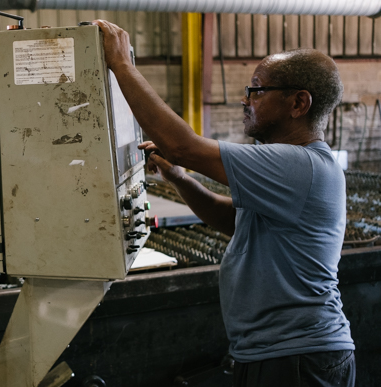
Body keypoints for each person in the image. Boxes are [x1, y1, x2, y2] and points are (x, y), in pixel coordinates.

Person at [93, 20, 356, 387]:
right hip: (277, 353)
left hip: (297, 357)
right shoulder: (290, 164)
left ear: (298, 102)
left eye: (257, 91)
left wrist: (122, 65)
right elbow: (235, 220)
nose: (245, 100)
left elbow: (184, 145)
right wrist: (180, 179)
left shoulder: (301, 164)